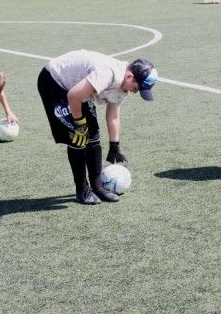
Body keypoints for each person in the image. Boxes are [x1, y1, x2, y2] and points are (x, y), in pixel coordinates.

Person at [37, 50, 157, 205]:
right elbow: (73, 96)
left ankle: (98, 187)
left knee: (93, 135)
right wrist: (79, 122)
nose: (135, 92)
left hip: (77, 88)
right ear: (129, 76)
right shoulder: (107, 73)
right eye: (137, 87)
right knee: (78, 139)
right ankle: (82, 190)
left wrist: (115, 145)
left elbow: (113, 113)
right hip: (55, 81)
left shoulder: (124, 87)